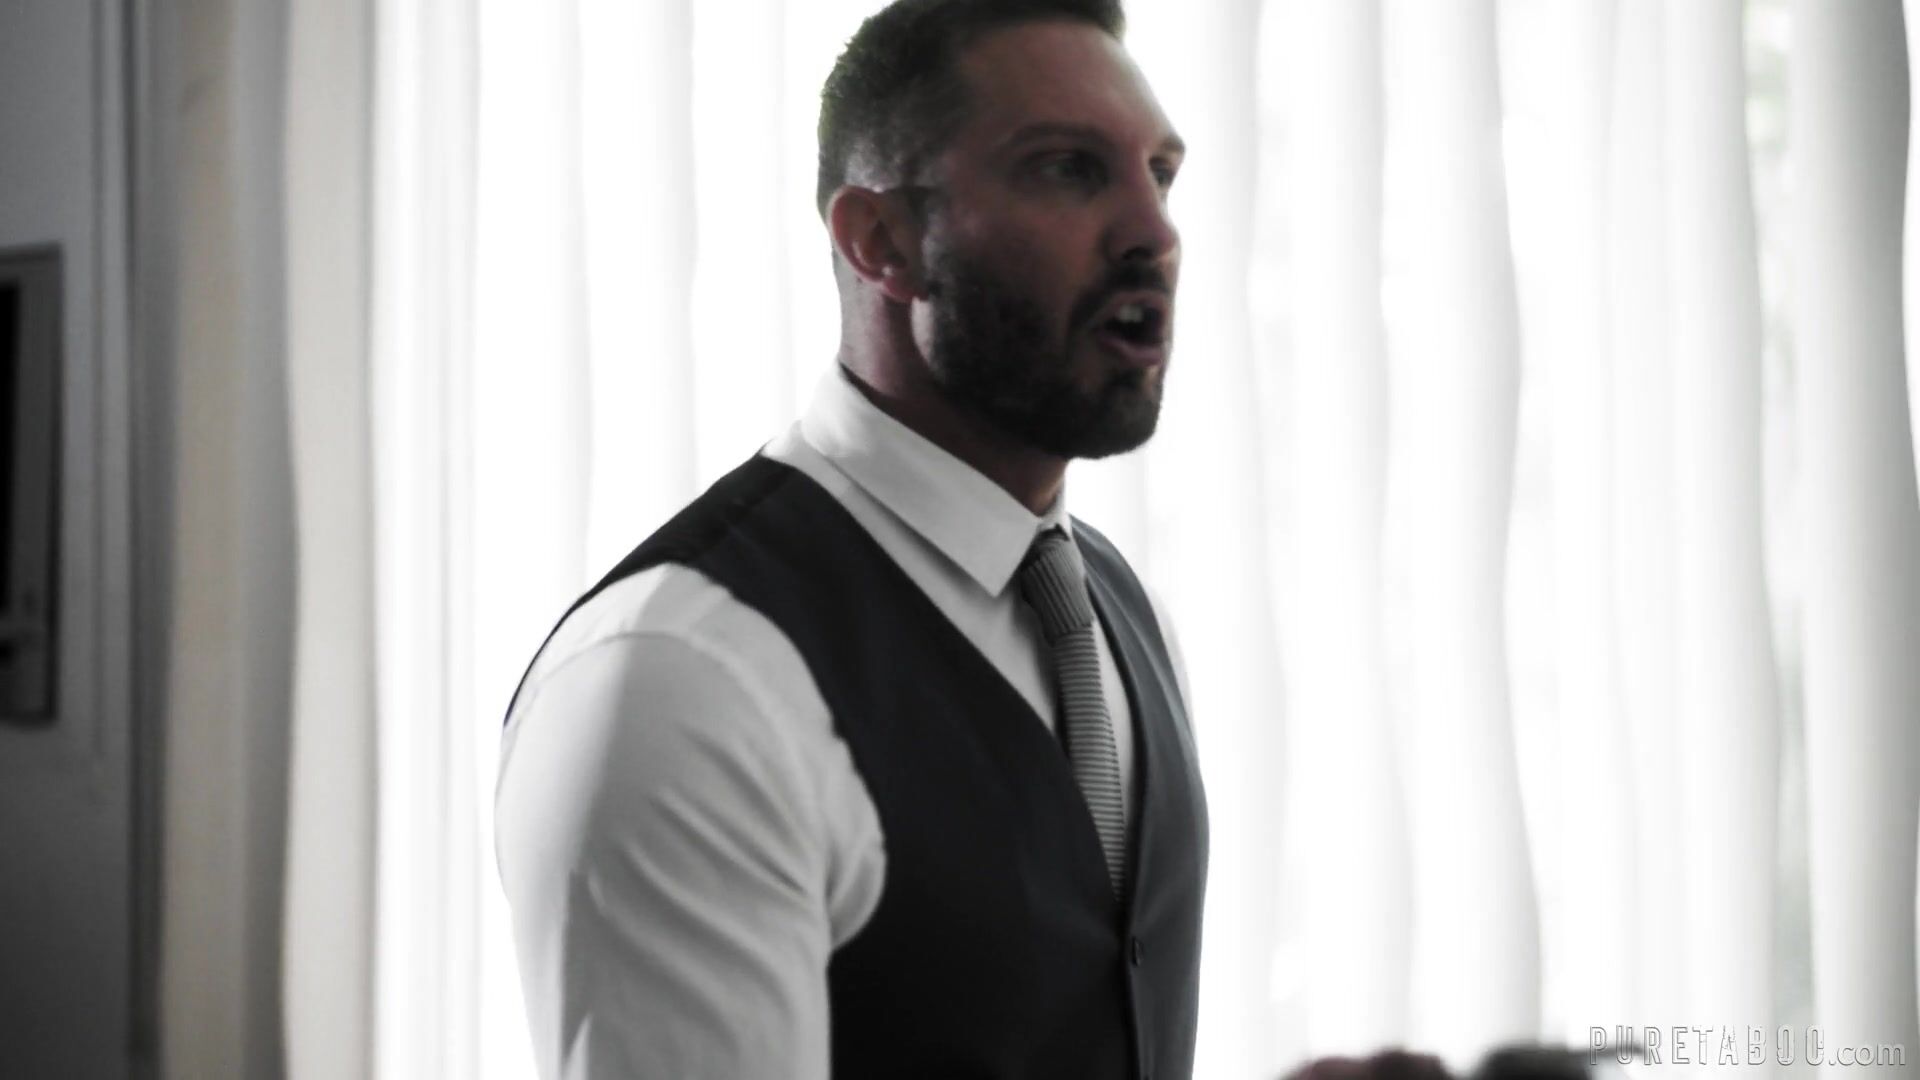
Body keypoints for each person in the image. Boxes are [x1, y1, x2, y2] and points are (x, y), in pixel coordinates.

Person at [494, 1, 1206, 1076]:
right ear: (882, 243)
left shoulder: (1120, 611)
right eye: (1068, 169)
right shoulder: (679, 678)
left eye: (1160, 173)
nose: (1153, 231)